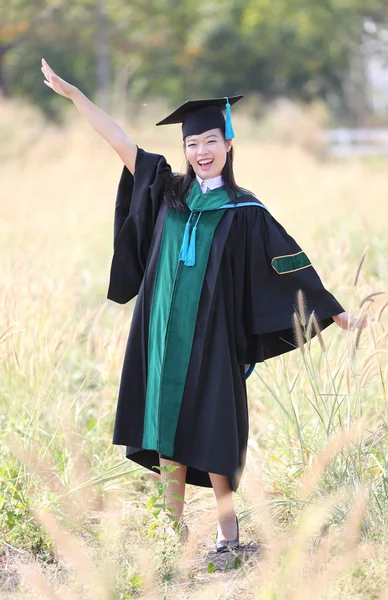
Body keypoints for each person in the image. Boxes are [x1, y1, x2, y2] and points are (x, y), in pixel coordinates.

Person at [41, 58, 370, 553]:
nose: (200, 151)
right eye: (192, 144)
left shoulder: (245, 211)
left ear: (228, 144)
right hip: (160, 331)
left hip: (213, 335)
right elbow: (119, 142)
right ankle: (171, 530)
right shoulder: (169, 191)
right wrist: (74, 96)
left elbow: (287, 261)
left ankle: (227, 532)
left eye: (210, 141)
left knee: (216, 426)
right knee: (164, 428)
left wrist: (335, 311)